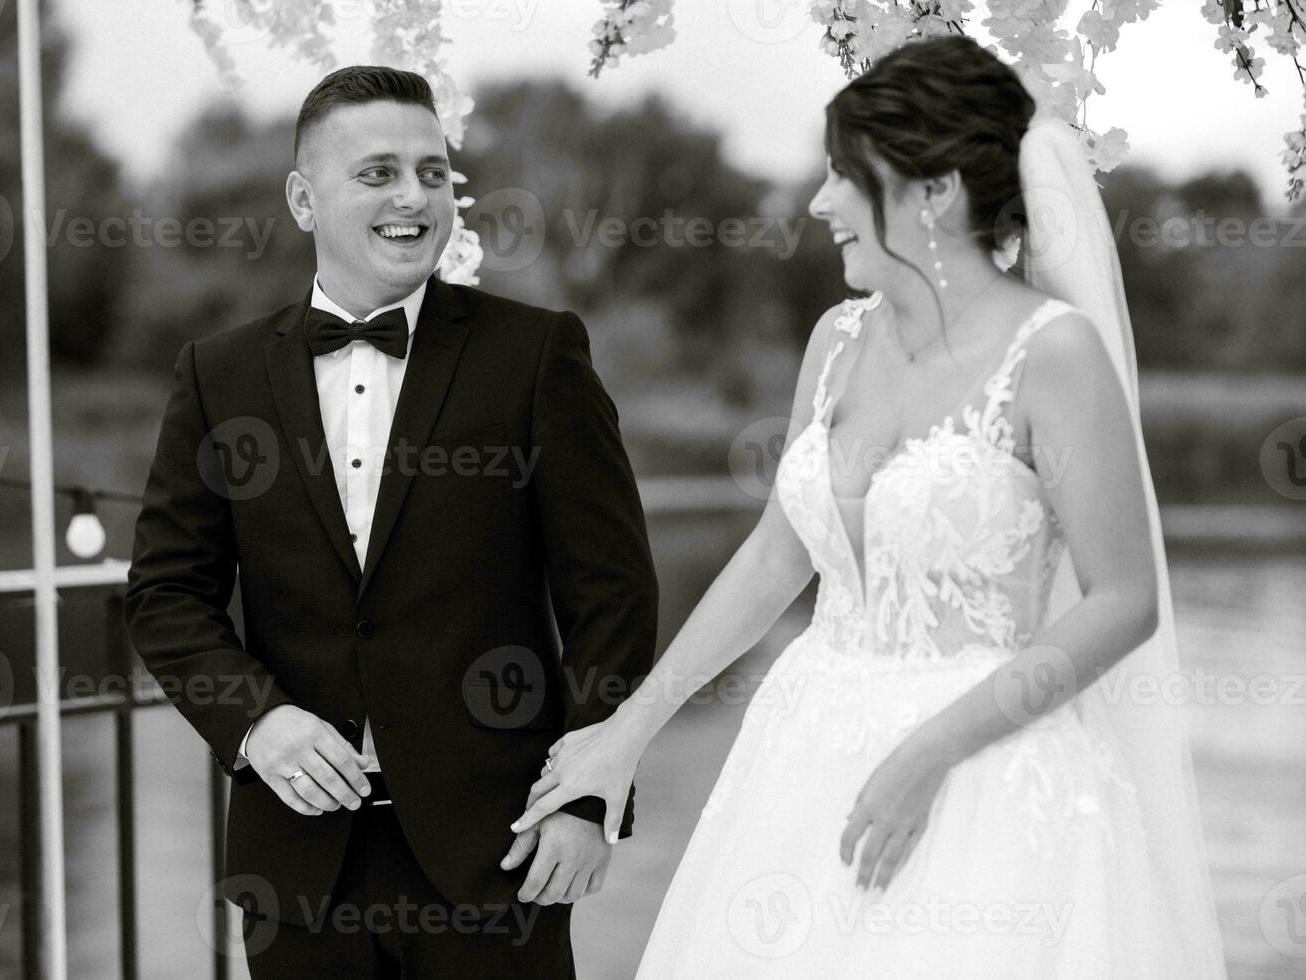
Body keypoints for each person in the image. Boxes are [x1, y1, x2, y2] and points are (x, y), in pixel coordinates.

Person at [513, 35, 1226, 976]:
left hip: (987, 771)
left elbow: (1123, 601)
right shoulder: (838, 339)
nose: (818, 203)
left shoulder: (1055, 355)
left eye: (845, 175)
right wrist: (627, 732)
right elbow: (778, 554)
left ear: (933, 191)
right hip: (804, 759)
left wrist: (931, 750)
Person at [124, 65, 659, 978]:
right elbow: (169, 596)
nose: (414, 196)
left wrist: (588, 800)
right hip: (296, 867)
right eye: (377, 173)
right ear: (304, 198)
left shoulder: (536, 355)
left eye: (432, 171)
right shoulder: (219, 374)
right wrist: (256, 724)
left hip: (503, 855)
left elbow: (610, 592)